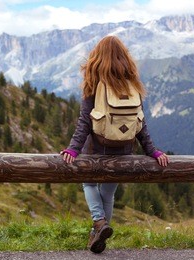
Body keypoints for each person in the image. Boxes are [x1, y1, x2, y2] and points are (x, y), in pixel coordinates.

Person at [60, 35, 169, 254]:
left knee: (89, 184)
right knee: (108, 194)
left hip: (96, 150)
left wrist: (73, 148)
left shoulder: (94, 82)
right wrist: (153, 151)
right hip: (124, 151)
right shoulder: (132, 84)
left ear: (97, 58)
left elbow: (84, 121)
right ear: (124, 57)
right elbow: (140, 123)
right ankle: (98, 234)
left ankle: (99, 223)